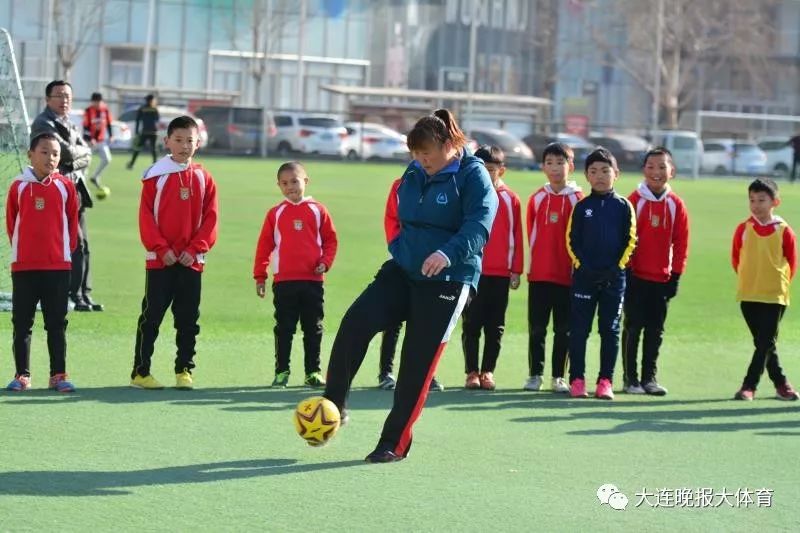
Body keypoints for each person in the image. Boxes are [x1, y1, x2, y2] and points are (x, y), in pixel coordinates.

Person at [323, 109, 497, 463]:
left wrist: (446, 255)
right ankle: (333, 407)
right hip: (403, 269)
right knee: (355, 322)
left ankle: (393, 443)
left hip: (449, 278)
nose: (420, 161)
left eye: (427, 154)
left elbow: (479, 225)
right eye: (415, 155)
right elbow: (400, 214)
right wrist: (399, 249)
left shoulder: (473, 175)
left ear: (448, 145)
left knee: (416, 363)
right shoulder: (415, 170)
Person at [130, 116, 218, 390]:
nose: (184, 146)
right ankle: (140, 372)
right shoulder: (154, 176)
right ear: (166, 141)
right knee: (151, 317)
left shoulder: (204, 178)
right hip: (160, 262)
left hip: (191, 263)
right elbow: (146, 218)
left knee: (188, 319)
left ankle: (184, 370)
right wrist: (161, 249)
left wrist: (195, 249)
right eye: (178, 140)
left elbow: (211, 219)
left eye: (189, 140)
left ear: (198, 143)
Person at [253, 161, 338, 388]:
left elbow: (330, 241)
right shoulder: (275, 213)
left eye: (295, 181)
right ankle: (282, 371)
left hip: (312, 281)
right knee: (284, 328)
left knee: (313, 328)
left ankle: (313, 371)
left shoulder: (318, 210)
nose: (290, 186)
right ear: (279, 186)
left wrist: (325, 263)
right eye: (284, 183)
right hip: (284, 282)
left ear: (305, 181)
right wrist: (260, 276)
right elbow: (264, 246)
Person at [5, 133, 79, 392]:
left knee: (56, 323)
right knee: (22, 323)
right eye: (45, 152)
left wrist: (62, 253)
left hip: (58, 267)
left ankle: (58, 374)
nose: (51, 158)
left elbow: (72, 223)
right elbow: (12, 224)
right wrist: (23, 252)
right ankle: (22, 375)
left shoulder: (66, 186)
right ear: (31, 155)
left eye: (56, 154)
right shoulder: (18, 186)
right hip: (24, 266)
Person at [566, 147, 636, 400]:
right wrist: (584, 268)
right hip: (584, 279)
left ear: (615, 174)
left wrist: (614, 269)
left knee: (610, 330)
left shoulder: (624, 206)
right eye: (593, 171)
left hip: (613, 280)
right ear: (586, 176)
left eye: (605, 171)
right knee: (579, 330)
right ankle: (577, 380)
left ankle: (605, 380)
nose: (600, 176)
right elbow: (572, 241)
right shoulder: (582, 206)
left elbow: (631, 241)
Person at [621, 147, 689, 396]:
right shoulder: (634, 201)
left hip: (661, 279)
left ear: (672, 171)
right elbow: (624, 239)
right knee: (633, 327)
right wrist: (626, 272)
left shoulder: (676, 205)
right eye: (651, 166)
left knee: (655, 330)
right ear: (643, 170)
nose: (656, 172)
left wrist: (676, 276)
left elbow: (681, 242)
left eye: (662, 167)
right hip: (635, 277)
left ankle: (649, 378)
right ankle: (630, 379)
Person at [30, 79, 102, 312]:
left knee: (84, 243)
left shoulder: (70, 122)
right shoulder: (43, 123)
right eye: (59, 95)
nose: (65, 100)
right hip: (55, 190)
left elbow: (86, 154)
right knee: (74, 242)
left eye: (68, 96)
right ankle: (75, 295)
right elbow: (67, 153)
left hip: (75, 189)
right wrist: (77, 156)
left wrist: (77, 157)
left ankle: (84, 293)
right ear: (47, 99)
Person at [731, 178, 799, 401]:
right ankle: (782, 385)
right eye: (752, 200)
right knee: (764, 344)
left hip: (774, 296)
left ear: (775, 202)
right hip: (748, 295)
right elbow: (736, 259)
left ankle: (749, 386)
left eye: (762, 200)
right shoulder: (743, 228)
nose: (756, 205)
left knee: (765, 343)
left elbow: (792, 262)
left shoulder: (784, 230)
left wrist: (778, 284)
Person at [461, 145, 522, 390]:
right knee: (471, 323)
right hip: (472, 271)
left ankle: (488, 371)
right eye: (482, 170)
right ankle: (471, 372)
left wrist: (516, 269)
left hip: (499, 273)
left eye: (491, 170)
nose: (487, 174)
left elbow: (517, 235)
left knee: (495, 326)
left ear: (501, 171)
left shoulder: (511, 199)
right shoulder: (468, 196)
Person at [524, 142, 584, 393]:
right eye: (549, 163)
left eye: (560, 162)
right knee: (537, 329)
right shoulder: (537, 198)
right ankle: (535, 374)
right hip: (539, 275)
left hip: (567, 277)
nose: (555, 168)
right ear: (542, 167)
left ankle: (559, 376)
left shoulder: (579, 199)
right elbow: (531, 232)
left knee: (564, 330)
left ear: (570, 166)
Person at [378, 177, 444, 392]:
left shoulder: (447, 184)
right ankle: (386, 372)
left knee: (424, 323)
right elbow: (391, 220)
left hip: (432, 267)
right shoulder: (400, 184)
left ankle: (426, 374)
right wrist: (400, 251)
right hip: (403, 262)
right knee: (392, 321)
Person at [83, 92, 114, 198]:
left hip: (100, 140)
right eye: (94, 101)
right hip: (89, 142)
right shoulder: (88, 111)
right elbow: (86, 127)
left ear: (101, 101)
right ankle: (83, 186)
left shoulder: (105, 110)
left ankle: (95, 176)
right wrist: (90, 139)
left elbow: (109, 123)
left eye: (98, 101)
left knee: (107, 159)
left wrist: (111, 135)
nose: (96, 103)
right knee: (85, 163)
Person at [126, 94, 160, 169]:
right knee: (153, 149)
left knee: (138, 148)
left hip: (145, 131)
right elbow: (157, 119)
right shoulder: (155, 108)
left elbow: (138, 120)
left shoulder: (142, 108)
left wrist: (136, 130)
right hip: (154, 131)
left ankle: (131, 163)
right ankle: (156, 165)